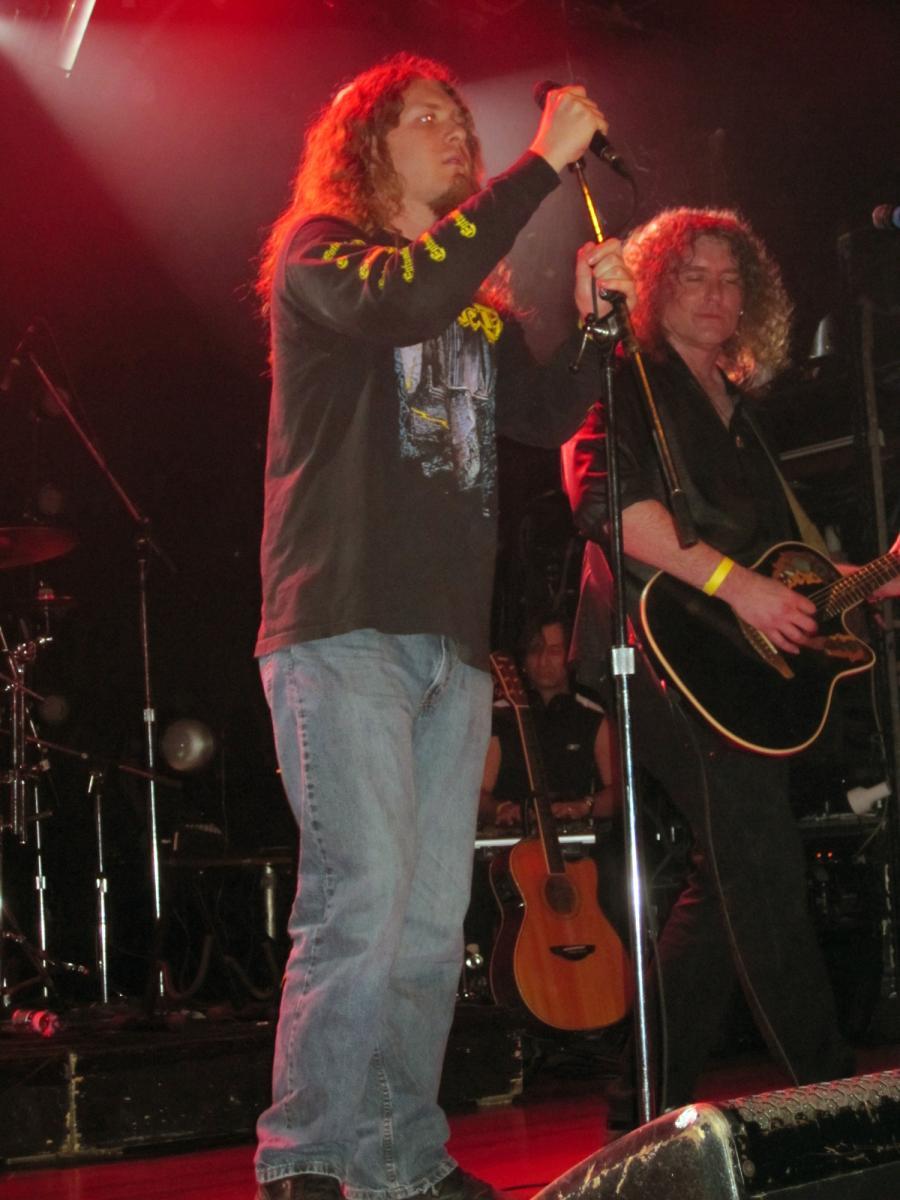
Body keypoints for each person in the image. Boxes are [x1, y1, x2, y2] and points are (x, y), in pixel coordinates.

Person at [253, 53, 636, 1200]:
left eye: (461, 121)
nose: (455, 134)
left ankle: (400, 1163)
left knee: (429, 925)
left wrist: (594, 329)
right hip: (346, 625)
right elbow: (401, 300)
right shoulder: (322, 250)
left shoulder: (470, 300)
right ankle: (306, 1159)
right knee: (360, 904)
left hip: (452, 646)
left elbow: (539, 415)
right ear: (368, 145)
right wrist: (539, 166)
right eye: (426, 118)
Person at [561, 207, 900, 1123]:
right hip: (658, 649)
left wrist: (861, 579)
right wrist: (740, 590)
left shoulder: (739, 409)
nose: (716, 295)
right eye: (694, 276)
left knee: (728, 879)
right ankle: (838, 1102)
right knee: (762, 862)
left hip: (731, 667)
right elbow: (607, 504)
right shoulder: (624, 375)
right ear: (654, 287)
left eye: (731, 279)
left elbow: (778, 558)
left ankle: (640, 1098)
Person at [478, 611, 615, 830]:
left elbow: (617, 793)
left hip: (573, 838)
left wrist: (583, 806)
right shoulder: (500, 715)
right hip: (515, 838)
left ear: (570, 657)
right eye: (535, 650)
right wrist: (500, 809)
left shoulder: (592, 714)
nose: (543, 660)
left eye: (554, 651)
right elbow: (478, 793)